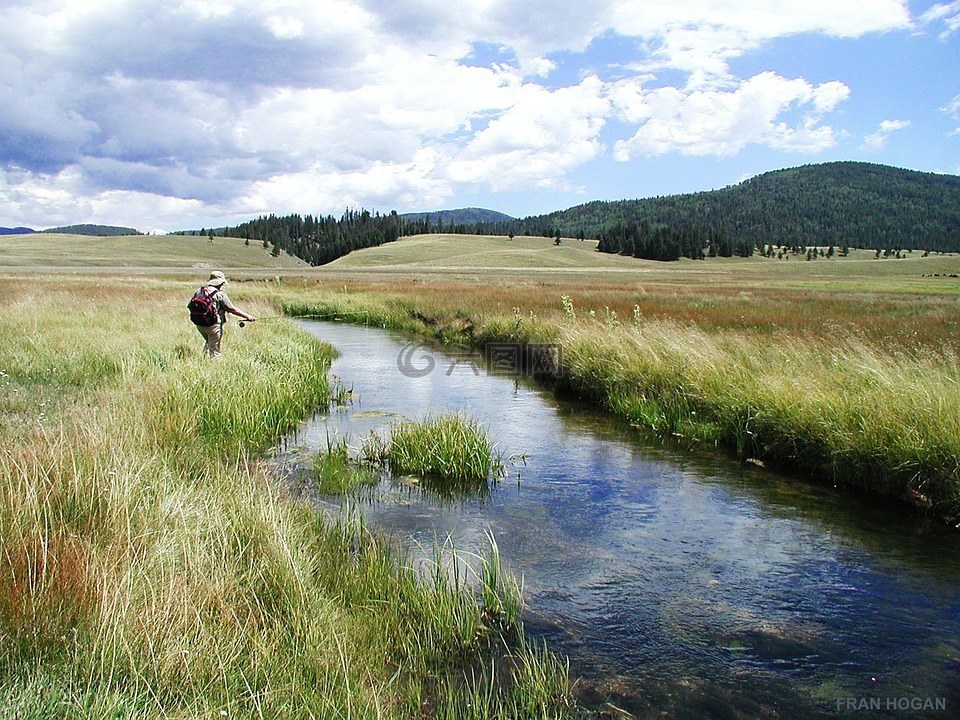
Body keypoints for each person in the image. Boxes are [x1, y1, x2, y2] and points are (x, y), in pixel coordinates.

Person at [194, 270, 256, 358]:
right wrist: (247, 316)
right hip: (213, 325)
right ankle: (214, 368)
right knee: (215, 351)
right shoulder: (220, 294)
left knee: (208, 342)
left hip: (199, 324)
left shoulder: (200, 291)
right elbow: (232, 309)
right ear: (220, 283)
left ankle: (203, 360)